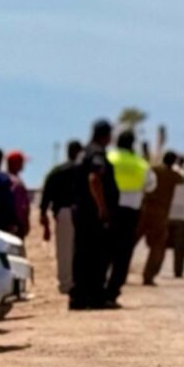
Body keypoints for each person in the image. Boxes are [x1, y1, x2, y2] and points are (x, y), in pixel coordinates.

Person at [70, 120, 118, 309]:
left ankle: (79, 297)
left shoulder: (83, 152)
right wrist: (102, 208)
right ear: (105, 135)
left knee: (81, 253)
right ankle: (94, 297)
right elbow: (94, 178)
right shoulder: (97, 153)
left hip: (81, 210)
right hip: (92, 213)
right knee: (97, 255)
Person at [104, 128, 149, 300]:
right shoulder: (140, 164)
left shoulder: (109, 158)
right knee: (123, 254)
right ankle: (113, 292)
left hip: (109, 210)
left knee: (105, 251)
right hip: (130, 213)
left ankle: (99, 287)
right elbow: (151, 185)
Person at [40, 140, 87, 297]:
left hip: (63, 213)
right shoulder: (84, 170)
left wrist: (43, 214)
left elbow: (46, 194)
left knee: (64, 250)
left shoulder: (57, 171)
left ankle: (66, 284)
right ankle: (79, 281)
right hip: (83, 212)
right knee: (81, 248)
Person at [139, 148, 183, 285]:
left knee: (129, 242)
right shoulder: (174, 175)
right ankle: (149, 276)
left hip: (145, 210)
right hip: (161, 214)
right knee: (158, 247)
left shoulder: (153, 170)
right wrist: (180, 166)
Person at [165, 155, 184, 279]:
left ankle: (153, 270)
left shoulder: (168, 173)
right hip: (183, 215)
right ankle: (178, 271)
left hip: (167, 213)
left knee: (160, 244)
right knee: (180, 248)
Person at [4, 151, 32, 236]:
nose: (23, 165)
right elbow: (20, 206)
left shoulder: (4, 177)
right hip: (17, 224)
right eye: (21, 162)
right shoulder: (16, 182)